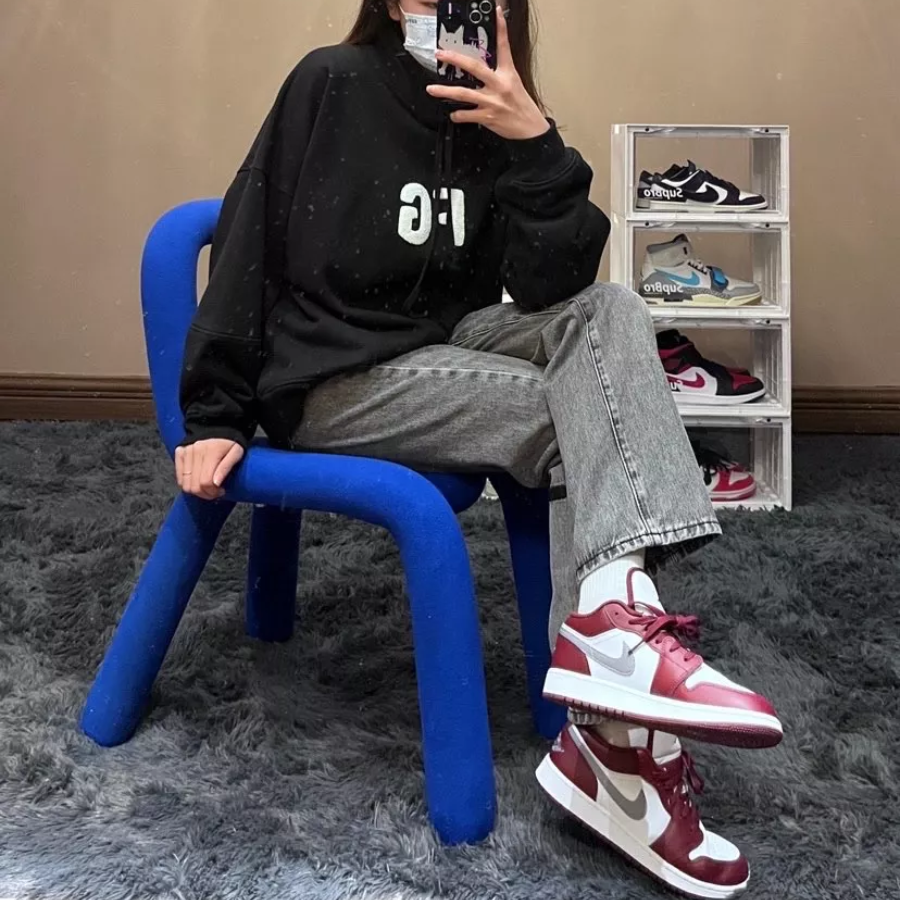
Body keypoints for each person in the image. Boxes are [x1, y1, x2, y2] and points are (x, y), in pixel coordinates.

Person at [175, 1, 782, 895]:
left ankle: (613, 630)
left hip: (453, 341)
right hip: (336, 377)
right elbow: (246, 242)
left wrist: (534, 141)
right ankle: (618, 745)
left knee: (611, 312)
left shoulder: (493, 112)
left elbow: (549, 287)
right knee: (583, 411)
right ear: (390, 2)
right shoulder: (329, 81)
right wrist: (216, 413)